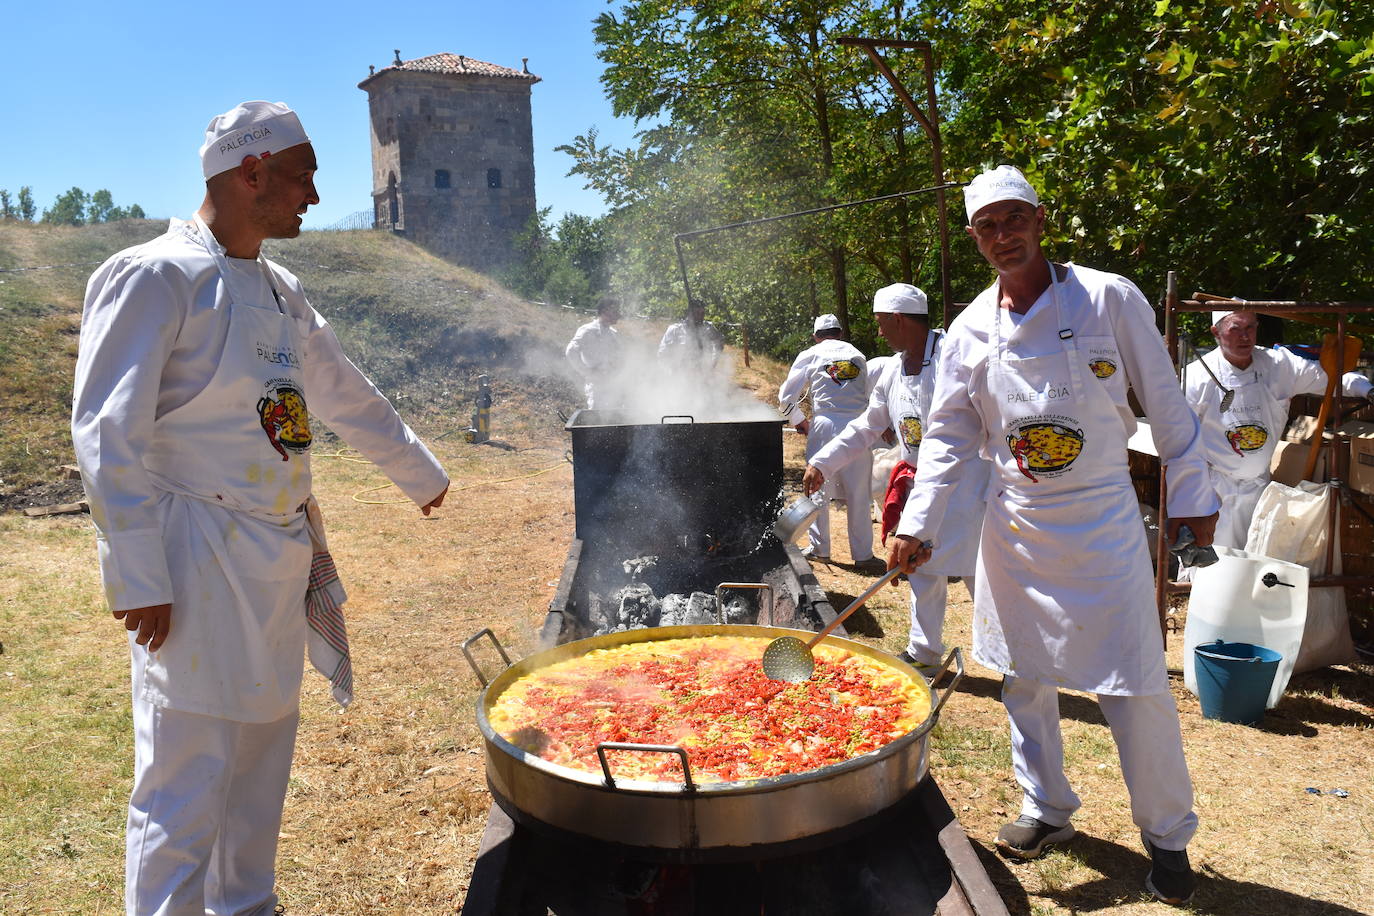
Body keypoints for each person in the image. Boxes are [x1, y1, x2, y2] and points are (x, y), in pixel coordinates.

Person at [71, 101, 450, 915]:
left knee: (260, 761)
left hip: (274, 559)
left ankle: (245, 905)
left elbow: (341, 392)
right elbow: (108, 430)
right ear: (253, 173)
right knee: (185, 777)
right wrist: (137, 572)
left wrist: (419, 470)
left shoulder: (282, 290)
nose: (313, 195)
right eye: (303, 176)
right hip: (195, 559)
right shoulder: (155, 275)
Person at [890, 165, 1218, 906]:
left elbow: (1166, 405)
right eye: (986, 227)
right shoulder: (973, 326)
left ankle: (1168, 841)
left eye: (1013, 220)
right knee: (1022, 677)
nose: (1002, 236)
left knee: (1134, 683)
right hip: (1017, 524)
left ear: (1041, 220)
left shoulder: (1109, 296)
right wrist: (918, 525)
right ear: (974, 238)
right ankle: (1047, 808)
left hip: (1101, 516)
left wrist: (1193, 495)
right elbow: (945, 436)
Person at [804, 286, 990, 672]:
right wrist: (824, 462)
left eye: (882, 324)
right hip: (921, 485)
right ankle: (924, 652)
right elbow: (866, 426)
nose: (880, 333)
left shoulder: (956, 359)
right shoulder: (891, 369)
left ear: (900, 319)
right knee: (919, 567)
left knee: (981, 577)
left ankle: (1010, 663)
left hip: (967, 485)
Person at [1185, 308, 1373, 548]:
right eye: (1236, 329)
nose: (1245, 336)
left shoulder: (1279, 366)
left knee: (1253, 558)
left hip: (1258, 486)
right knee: (1209, 561)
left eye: (1250, 328)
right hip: (1212, 488)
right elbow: (1180, 433)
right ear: (1216, 332)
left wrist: (1367, 390)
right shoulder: (1196, 375)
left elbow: (1334, 377)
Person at [779, 314, 878, 566]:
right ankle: (863, 555)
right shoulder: (858, 355)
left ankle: (819, 549)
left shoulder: (811, 353)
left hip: (824, 424)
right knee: (859, 491)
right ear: (840, 333)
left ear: (816, 336)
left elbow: (786, 397)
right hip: (858, 423)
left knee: (817, 488)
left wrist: (799, 421)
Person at [565, 295, 624, 408]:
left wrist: (617, 371)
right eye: (615, 310)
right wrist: (588, 372)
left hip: (613, 385)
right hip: (596, 386)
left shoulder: (613, 333)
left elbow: (620, 358)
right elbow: (571, 351)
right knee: (596, 418)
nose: (619, 314)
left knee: (614, 419)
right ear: (605, 311)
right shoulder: (588, 330)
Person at [657, 298, 724, 372]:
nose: (700, 316)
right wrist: (670, 371)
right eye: (697, 313)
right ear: (689, 313)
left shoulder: (708, 329)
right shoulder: (675, 330)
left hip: (701, 375)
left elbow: (719, 343)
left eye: (702, 313)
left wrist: (712, 365)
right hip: (679, 373)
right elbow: (662, 354)